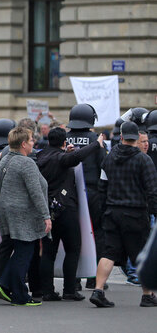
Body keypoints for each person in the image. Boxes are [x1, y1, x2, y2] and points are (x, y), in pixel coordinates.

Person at [90, 122, 157, 308]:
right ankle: (147, 295)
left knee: (109, 252)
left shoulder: (109, 159)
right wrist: (154, 211)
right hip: (136, 213)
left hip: (112, 212)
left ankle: (98, 290)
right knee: (140, 255)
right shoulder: (144, 160)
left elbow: (101, 186)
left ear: (120, 137)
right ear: (136, 139)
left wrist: (104, 211)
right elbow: (153, 191)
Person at [37, 127, 104, 301]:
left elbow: (63, 158)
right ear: (64, 142)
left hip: (47, 211)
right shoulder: (62, 158)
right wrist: (97, 144)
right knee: (73, 249)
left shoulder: (41, 156)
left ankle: (47, 291)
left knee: (48, 253)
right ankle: (69, 289)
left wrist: (65, 151)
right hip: (66, 209)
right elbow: (77, 157)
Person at [0, 127, 50, 307]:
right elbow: (36, 192)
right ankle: (15, 292)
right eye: (31, 140)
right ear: (23, 144)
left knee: (20, 251)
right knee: (24, 253)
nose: (34, 143)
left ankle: (9, 287)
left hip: (8, 210)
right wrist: (46, 215)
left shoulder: (5, 160)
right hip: (24, 213)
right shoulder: (26, 163)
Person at [65, 103, 106, 289]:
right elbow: (104, 167)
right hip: (92, 192)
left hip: (70, 193)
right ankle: (93, 278)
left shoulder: (65, 138)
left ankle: (75, 279)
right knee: (96, 233)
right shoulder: (96, 140)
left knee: (73, 237)